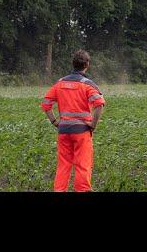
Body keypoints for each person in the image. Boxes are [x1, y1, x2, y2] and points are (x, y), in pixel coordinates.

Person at [40, 49, 106, 192]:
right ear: (87, 64)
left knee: (63, 165)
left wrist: (55, 122)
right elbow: (99, 104)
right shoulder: (88, 84)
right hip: (82, 132)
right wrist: (93, 125)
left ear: (73, 64)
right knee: (83, 165)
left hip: (63, 131)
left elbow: (45, 104)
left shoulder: (60, 83)